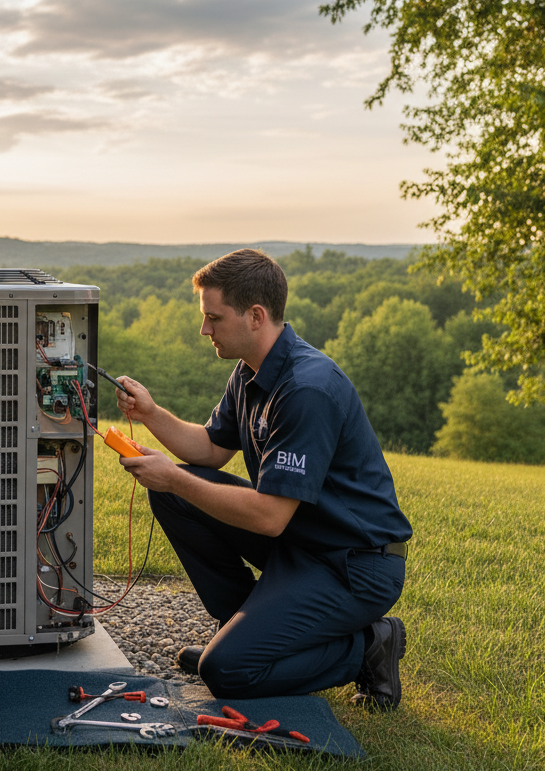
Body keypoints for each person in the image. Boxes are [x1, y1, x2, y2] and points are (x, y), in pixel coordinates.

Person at [114, 248, 411, 708]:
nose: (204, 330)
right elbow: (210, 449)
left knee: (227, 672)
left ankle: (369, 646)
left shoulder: (306, 389)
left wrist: (172, 477)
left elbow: (270, 517)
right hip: (302, 542)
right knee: (178, 497)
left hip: (352, 564)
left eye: (214, 318)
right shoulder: (251, 372)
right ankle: (241, 628)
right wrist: (151, 414)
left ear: (256, 316)